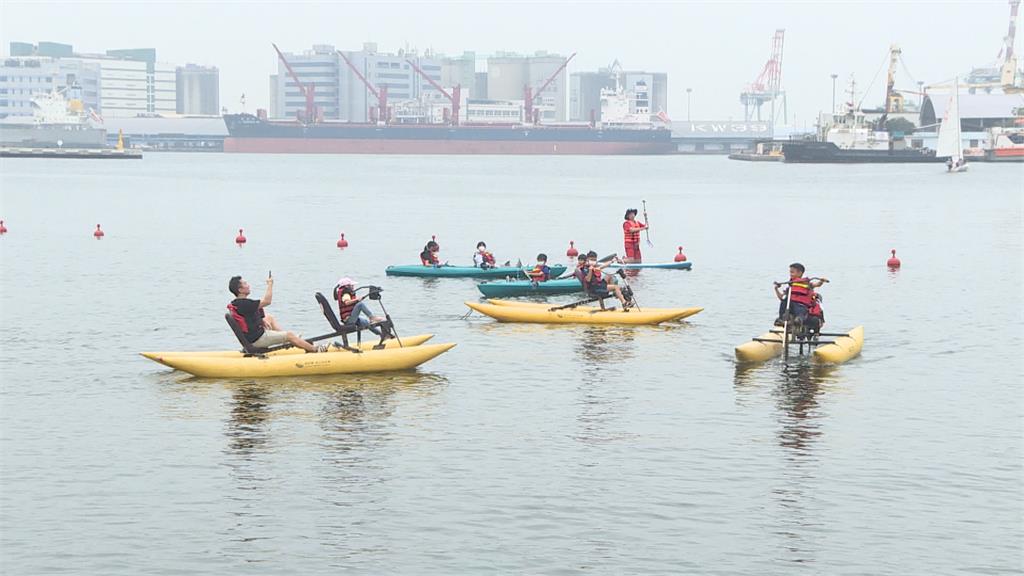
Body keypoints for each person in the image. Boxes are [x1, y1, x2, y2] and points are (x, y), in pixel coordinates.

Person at [227, 275, 325, 352]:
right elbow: (267, 301)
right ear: (240, 290)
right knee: (290, 335)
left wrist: (261, 321)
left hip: (255, 334)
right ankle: (314, 349)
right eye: (245, 284)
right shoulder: (245, 304)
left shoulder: (238, 303)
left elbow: (248, 317)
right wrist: (270, 284)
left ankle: (284, 338)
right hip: (257, 340)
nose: (248, 285)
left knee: (269, 318)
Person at [773, 263, 828, 327]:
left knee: (800, 310)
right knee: (784, 302)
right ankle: (781, 319)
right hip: (790, 305)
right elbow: (781, 297)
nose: (790, 274)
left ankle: (799, 319)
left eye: (792, 272)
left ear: (800, 273)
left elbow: (817, 284)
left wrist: (821, 281)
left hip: (801, 305)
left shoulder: (807, 283)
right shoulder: (790, 286)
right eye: (790, 272)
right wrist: (776, 289)